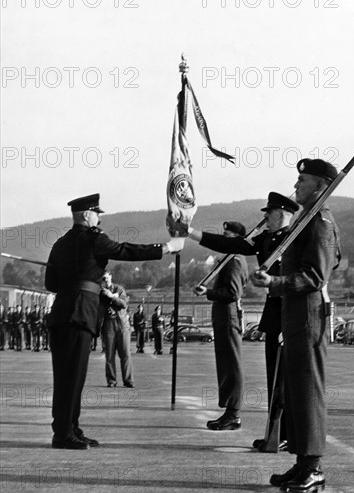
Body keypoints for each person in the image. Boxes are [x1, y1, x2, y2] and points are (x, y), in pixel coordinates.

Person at [45, 193, 184, 450]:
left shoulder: (59, 244)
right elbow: (125, 250)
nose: (99, 217)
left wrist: (75, 275)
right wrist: (166, 248)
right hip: (80, 313)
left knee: (64, 377)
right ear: (87, 215)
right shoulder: (95, 239)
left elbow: (50, 284)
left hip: (61, 312)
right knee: (74, 377)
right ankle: (64, 434)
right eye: (97, 213)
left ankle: (68, 428)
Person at [252, 159, 341, 493]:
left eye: (302, 181)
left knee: (307, 391)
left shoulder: (320, 222)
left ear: (320, 185)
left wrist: (275, 282)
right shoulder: (306, 220)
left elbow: (316, 276)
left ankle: (313, 467)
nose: (296, 186)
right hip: (295, 314)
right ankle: (302, 462)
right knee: (294, 390)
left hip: (308, 315)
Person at [188, 194, 298, 445]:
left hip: (291, 308)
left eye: (269, 213)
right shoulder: (266, 239)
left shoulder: (294, 237)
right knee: (274, 374)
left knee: (288, 376)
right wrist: (191, 232)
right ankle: (277, 433)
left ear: (282, 214)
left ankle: (289, 433)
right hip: (274, 309)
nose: (265, 217)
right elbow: (231, 246)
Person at [193, 221, 249, 430]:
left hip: (228, 313)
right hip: (224, 314)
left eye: (227, 236)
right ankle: (229, 411)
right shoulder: (229, 260)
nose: (223, 240)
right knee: (225, 363)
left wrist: (207, 292)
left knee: (231, 364)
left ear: (236, 239)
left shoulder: (235, 260)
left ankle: (233, 413)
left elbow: (232, 293)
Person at [100, 271, 134, 388]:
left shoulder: (119, 289)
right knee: (109, 355)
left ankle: (128, 380)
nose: (105, 281)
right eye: (103, 279)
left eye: (106, 278)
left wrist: (112, 297)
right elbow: (98, 307)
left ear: (110, 277)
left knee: (125, 353)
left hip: (121, 323)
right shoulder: (100, 292)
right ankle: (111, 380)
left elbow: (124, 304)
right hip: (108, 323)